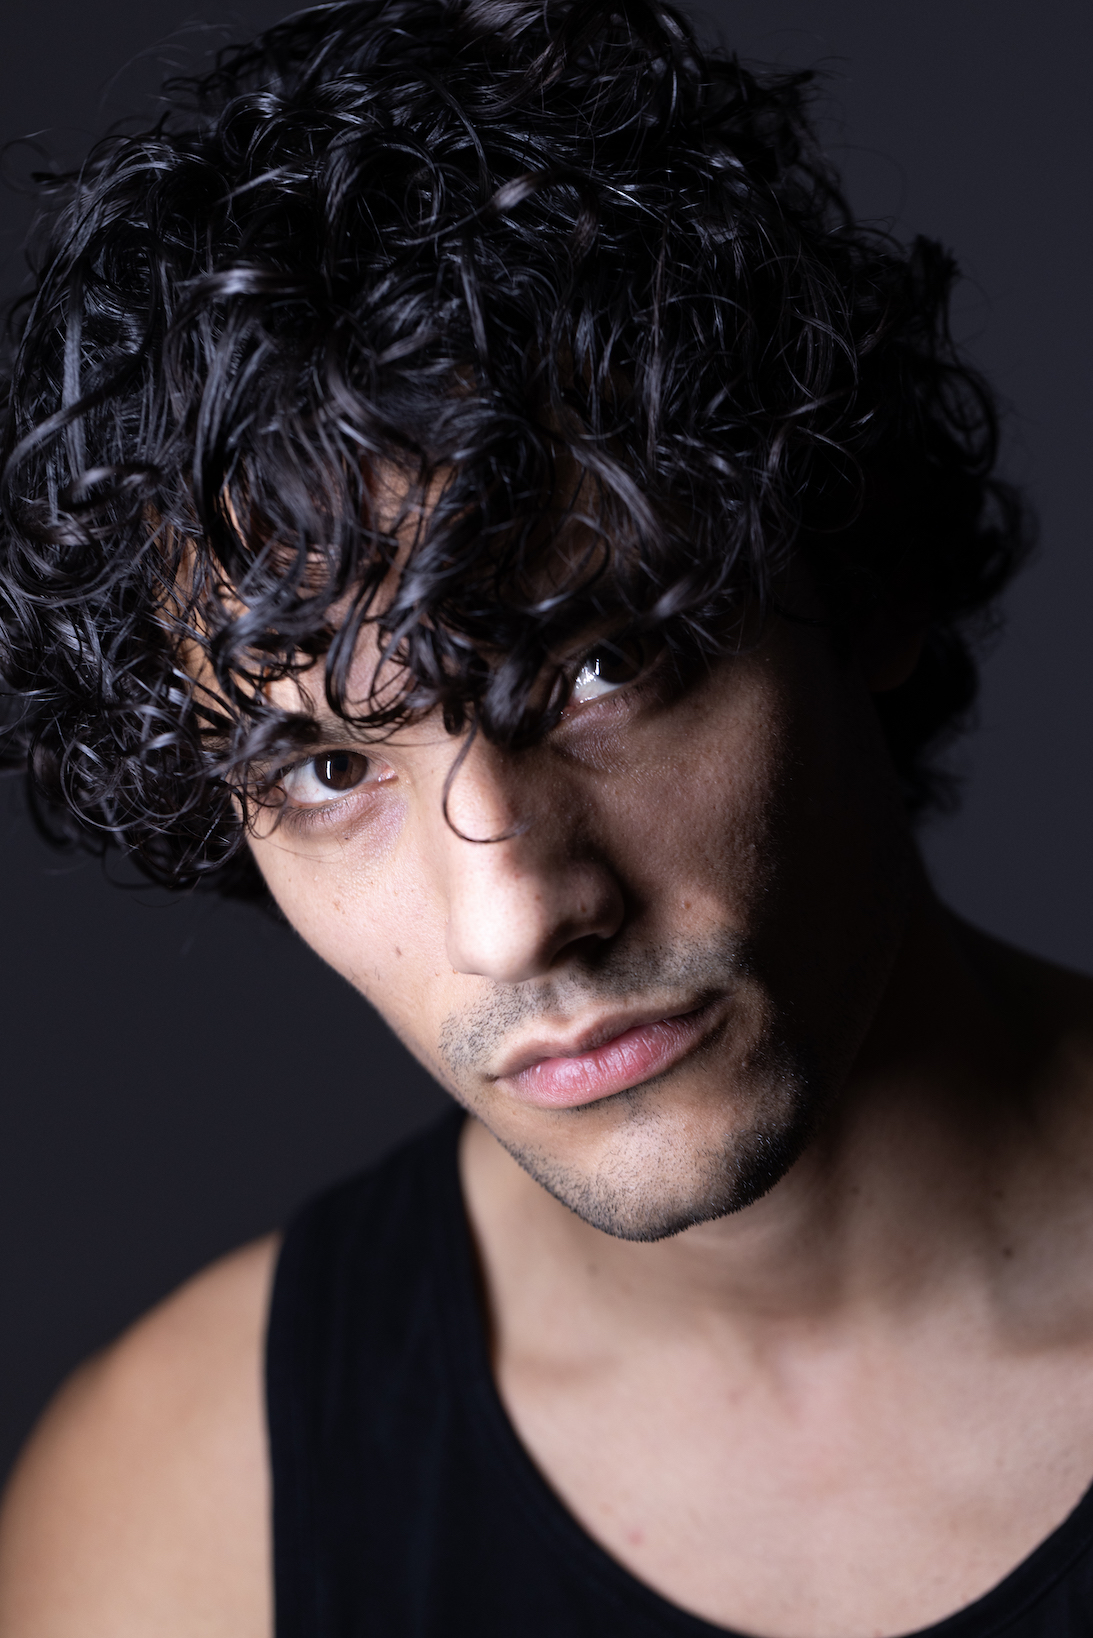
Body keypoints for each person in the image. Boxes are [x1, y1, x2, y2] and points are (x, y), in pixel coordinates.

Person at [0, 0, 1089, 1632]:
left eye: (596, 666)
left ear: (857, 580)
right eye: (327, 767)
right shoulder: (179, 1514)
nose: (514, 913)